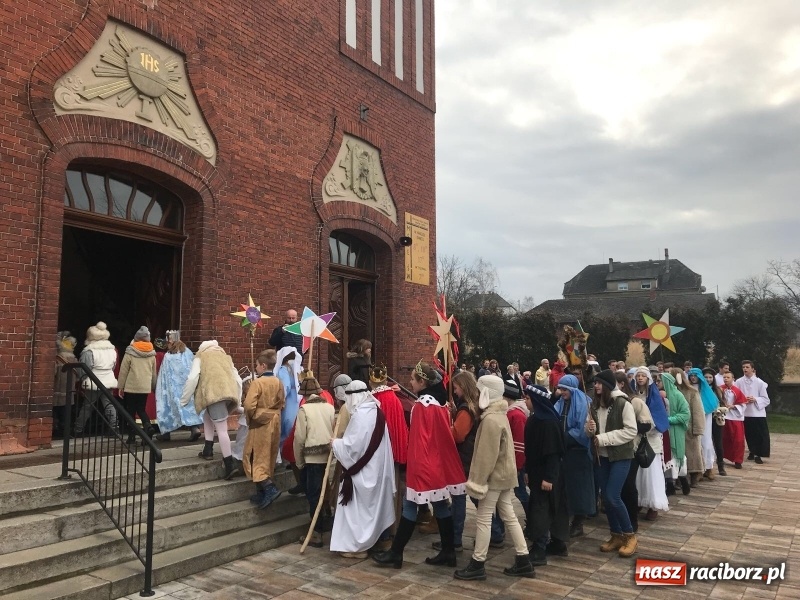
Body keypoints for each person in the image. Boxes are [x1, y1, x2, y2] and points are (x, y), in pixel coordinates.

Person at [372, 361, 466, 570]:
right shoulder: (440, 403)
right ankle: (448, 551)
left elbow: (420, 440)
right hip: (436, 463)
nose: (410, 383)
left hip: (424, 463)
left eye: (413, 379)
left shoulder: (423, 405)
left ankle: (396, 553)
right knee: (440, 505)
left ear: (422, 382)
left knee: (410, 505)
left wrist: (415, 467)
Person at [454, 375, 534, 581]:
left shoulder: (490, 419)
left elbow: (485, 457)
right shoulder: (500, 415)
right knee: (508, 514)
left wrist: (477, 483)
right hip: (504, 475)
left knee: (483, 518)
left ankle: (478, 562)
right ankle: (524, 558)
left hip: (493, 478)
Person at [331, 380, 395, 558]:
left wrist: (335, 444)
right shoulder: (377, 412)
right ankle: (366, 544)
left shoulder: (360, 416)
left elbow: (353, 448)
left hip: (362, 471)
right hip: (376, 469)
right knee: (368, 511)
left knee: (355, 511)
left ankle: (355, 547)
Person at [585, 369, 638, 558]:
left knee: (613, 495)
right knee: (606, 498)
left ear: (607, 385)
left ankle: (630, 535)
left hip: (621, 456)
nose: (596, 386)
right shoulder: (594, 404)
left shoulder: (623, 403)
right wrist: (589, 429)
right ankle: (615, 535)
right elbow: (590, 432)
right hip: (601, 457)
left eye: (599, 383)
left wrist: (603, 438)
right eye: (595, 383)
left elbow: (631, 430)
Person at [180, 340, 242, 479]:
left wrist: (184, 399)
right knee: (208, 416)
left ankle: (229, 464)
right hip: (228, 393)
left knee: (221, 428)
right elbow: (237, 378)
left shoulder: (201, 356)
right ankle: (208, 449)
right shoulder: (226, 357)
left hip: (213, 394)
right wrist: (238, 399)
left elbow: (192, 378)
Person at [524, 384, 569, 567]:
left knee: (541, 509)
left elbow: (553, 453)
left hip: (547, 475)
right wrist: (527, 470)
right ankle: (557, 543)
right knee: (549, 507)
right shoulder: (536, 419)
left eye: (527, 398)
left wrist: (549, 478)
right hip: (536, 472)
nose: (525, 401)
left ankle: (540, 548)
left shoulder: (548, 422)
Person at [435, 370, 480, 554]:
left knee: (460, 498)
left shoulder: (466, 408)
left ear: (463, 386)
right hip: (469, 457)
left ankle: (455, 540)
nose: (454, 391)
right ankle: (496, 531)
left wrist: (446, 425)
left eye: (456, 387)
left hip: (464, 458)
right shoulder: (472, 405)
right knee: (473, 498)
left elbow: (458, 435)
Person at [293, 373, 335, 548]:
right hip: (328, 457)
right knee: (325, 492)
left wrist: (299, 461)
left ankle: (316, 533)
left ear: (303, 395)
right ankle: (325, 524)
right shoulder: (330, 408)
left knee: (313, 495)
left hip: (312, 458)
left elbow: (299, 438)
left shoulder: (305, 410)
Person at [554, 374, 595, 538]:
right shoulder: (560, 403)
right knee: (566, 487)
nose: (562, 392)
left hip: (578, 451)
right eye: (560, 388)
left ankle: (579, 521)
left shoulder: (584, 403)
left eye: (565, 389)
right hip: (564, 451)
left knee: (579, 489)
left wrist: (565, 437)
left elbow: (582, 429)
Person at [243, 350, 284, 509]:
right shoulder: (278, 381)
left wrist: (253, 416)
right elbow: (281, 401)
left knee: (255, 453)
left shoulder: (257, 382)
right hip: (274, 420)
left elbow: (248, 405)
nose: (256, 368)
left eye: (257, 366)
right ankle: (261, 490)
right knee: (268, 453)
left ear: (263, 365)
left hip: (260, 422)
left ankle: (268, 487)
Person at [615, 372, 653, 533]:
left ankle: (632, 521)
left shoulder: (635, 401)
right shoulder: (613, 402)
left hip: (632, 448)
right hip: (616, 448)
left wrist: (628, 428)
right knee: (619, 486)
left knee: (628, 485)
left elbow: (647, 424)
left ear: (622, 384)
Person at [632, 367, 670, 521]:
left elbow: (659, 416)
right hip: (634, 437)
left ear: (648, 378)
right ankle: (639, 500)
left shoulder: (654, 396)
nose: (640, 378)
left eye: (643, 376)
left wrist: (647, 427)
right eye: (638, 376)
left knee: (650, 472)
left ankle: (653, 505)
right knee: (636, 474)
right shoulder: (632, 395)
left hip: (650, 438)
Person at [154, 330, 202, 442]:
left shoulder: (169, 356)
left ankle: (166, 432)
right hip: (187, 386)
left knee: (168, 407)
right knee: (189, 407)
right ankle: (195, 428)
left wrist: (161, 388)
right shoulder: (188, 352)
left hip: (172, 388)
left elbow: (164, 374)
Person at [75, 321, 119, 437]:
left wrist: (81, 380)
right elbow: (113, 366)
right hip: (108, 381)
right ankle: (114, 428)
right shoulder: (112, 350)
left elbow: (84, 369)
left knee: (87, 407)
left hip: (93, 382)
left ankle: (78, 430)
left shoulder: (89, 351)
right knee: (109, 405)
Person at [672, 368, 704, 488]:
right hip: (676, 427)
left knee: (693, 453)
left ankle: (695, 475)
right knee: (678, 454)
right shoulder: (670, 391)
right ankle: (680, 477)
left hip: (690, 428)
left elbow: (697, 411)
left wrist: (698, 428)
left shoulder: (692, 392)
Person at [661, 372, 691, 495]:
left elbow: (685, 414)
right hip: (664, 431)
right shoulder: (658, 396)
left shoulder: (678, 395)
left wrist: (669, 419)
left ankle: (683, 480)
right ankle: (669, 484)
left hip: (675, 430)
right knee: (666, 457)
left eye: (660, 381)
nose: (658, 384)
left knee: (677, 457)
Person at [736, 360, 771, 464]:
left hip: (757, 413)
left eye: (747, 367)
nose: (745, 369)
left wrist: (755, 399)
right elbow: (736, 395)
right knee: (749, 434)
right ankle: (752, 451)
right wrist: (743, 400)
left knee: (759, 434)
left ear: (752, 369)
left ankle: (758, 454)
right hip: (745, 412)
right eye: (743, 367)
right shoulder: (738, 382)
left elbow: (766, 399)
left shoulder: (759, 383)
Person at [688, 367, 719, 481]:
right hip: (691, 418)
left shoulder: (705, 389)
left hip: (705, 417)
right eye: (691, 375)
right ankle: (697, 469)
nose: (693, 377)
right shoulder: (688, 388)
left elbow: (711, 403)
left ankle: (708, 467)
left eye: (695, 375)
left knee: (706, 442)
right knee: (696, 443)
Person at [505, 380, 530, 512]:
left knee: (521, 492)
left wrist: (518, 466)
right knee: (519, 491)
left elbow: (520, 443)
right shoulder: (512, 412)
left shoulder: (516, 415)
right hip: (515, 460)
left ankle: (532, 519)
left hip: (518, 461)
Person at [53, 331, 78, 438]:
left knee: (55, 411)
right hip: (69, 391)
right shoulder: (74, 359)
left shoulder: (57, 359)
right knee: (67, 412)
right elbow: (78, 376)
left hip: (56, 391)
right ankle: (66, 432)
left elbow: (53, 373)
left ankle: (55, 430)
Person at [702, 368, 726, 476]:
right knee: (705, 442)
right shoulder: (699, 389)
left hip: (716, 418)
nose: (708, 379)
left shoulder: (717, 390)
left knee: (718, 442)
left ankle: (720, 465)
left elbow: (722, 403)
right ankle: (704, 466)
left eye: (710, 377)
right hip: (703, 418)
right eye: (706, 377)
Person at [720, 371, 747, 468]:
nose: (726, 379)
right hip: (723, 416)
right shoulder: (720, 389)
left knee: (738, 439)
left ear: (733, 379)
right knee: (723, 438)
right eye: (724, 377)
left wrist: (734, 406)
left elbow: (743, 404)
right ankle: (721, 457)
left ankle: (738, 460)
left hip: (735, 418)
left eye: (728, 377)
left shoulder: (737, 391)